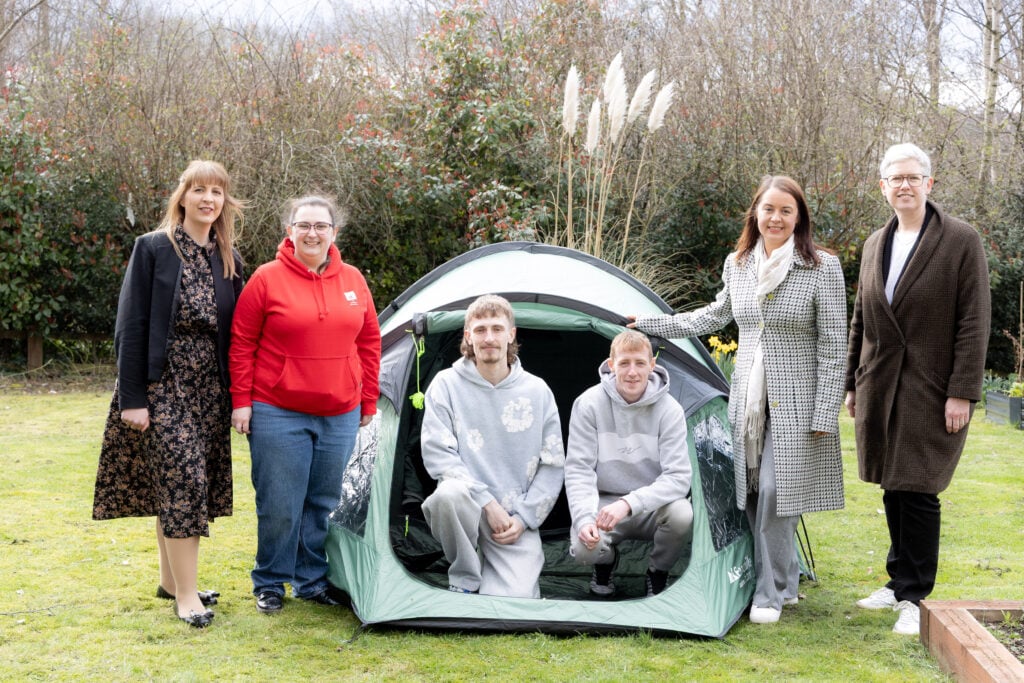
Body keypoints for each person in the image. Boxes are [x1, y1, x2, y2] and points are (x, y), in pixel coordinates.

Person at [630, 175, 847, 624]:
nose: (777, 218)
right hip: (747, 399)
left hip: (799, 403)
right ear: (756, 213)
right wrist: (652, 324)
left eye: (787, 211)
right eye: (769, 209)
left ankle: (768, 594)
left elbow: (833, 344)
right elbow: (715, 314)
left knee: (775, 492)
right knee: (749, 497)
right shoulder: (739, 263)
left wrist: (826, 410)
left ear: (799, 218)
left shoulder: (822, 267)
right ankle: (783, 584)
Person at [93, 160, 246, 628]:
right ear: (181, 197)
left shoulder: (229, 258)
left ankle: (170, 580)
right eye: (197, 190)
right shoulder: (154, 249)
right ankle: (187, 598)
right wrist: (133, 397)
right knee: (185, 484)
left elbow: (239, 332)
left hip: (208, 393)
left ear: (224, 202)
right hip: (162, 388)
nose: (207, 199)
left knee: (176, 487)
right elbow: (131, 324)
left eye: (216, 192)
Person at [846, 143, 990, 636]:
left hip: (932, 385)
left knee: (921, 487)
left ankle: (915, 595)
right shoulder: (873, 244)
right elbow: (861, 319)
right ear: (882, 186)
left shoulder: (960, 240)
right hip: (880, 381)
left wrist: (962, 391)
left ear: (929, 184)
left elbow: (974, 321)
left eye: (913, 177)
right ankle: (895, 580)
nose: (904, 185)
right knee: (893, 484)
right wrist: (851, 383)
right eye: (895, 178)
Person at [230, 195, 381, 614]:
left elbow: (369, 342)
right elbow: (242, 343)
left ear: (334, 232)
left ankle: (311, 580)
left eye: (320, 226)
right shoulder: (265, 279)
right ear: (289, 231)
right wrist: (241, 402)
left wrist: (367, 399)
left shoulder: (354, 280)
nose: (312, 233)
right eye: (304, 225)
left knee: (322, 502)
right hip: (278, 409)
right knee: (280, 502)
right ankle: (271, 581)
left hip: (341, 411)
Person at [419, 294, 565, 597]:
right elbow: (438, 455)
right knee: (448, 495)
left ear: (511, 335)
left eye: (497, 329)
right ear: (468, 336)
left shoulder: (537, 391)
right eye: (481, 329)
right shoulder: (445, 385)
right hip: (468, 505)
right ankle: (464, 576)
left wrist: (523, 519)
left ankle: (499, 572)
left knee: (516, 604)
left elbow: (553, 465)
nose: (489, 338)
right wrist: (487, 502)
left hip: (511, 519)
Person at [564, 329, 693, 598]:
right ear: (611, 366)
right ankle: (605, 562)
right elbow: (579, 471)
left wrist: (629, 504)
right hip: (603, 504)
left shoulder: (670, 410)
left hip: (651, 506)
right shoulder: (587, 404)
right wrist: (585, 519)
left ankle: (658, 571)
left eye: (640, 363)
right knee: (583, 549)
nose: (632, 372)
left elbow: (679, 478)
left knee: (682, 514)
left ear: (652, 366)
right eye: (624, 363)